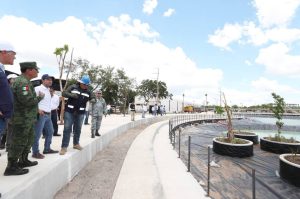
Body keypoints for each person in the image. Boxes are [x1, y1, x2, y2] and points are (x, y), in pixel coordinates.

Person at [4, 62, 44, 176]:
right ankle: (11, 167)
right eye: (36, 69)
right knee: (18, 142)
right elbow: (27, 101)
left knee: (28, 140)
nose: (37, 72)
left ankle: (23, 160)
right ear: (29, 70)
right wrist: (39, 97)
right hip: (20, 119)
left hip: (27, 118)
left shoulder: (26, 82)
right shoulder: (22, 82)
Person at [59, 75, 95, 155]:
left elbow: (93, 97)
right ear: (81, 83)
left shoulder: (88, 91)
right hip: (69, 112)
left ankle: (76, 144)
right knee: (67, 129)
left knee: (78, 129)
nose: (86, 86)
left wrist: (92, 99)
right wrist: (71, 95)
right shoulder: (73, 87)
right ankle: (64, 147)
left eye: (87, 85)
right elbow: (64, 93)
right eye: (85, 84)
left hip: (80, 113)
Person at [32, 74, 58, 159]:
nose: (50, 81)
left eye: (51, 80)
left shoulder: (48, 90)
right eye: (48, 79)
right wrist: (37, 110)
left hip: (48, 114)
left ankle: (47, 149)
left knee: (50, 131)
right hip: (41, 114)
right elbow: (31, 101)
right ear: (43, 80)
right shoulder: (37, 89)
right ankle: (35, 152)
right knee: (37, 134)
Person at [0, 43, 15, 142]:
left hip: (4, 114)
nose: (15, 57)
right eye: (13, 54)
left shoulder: (2, 68)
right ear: (4, 52)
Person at [0, 74, 18, 150]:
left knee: (11, 130)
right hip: (5, 112)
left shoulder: (16, 88)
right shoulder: (3, 88)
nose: (15, 80)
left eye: (16, 79)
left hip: (13, 112)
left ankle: (8, 146)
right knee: (4, 130)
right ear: (9, 80)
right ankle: (2, 144)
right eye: (13, 79)